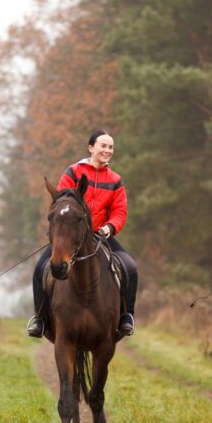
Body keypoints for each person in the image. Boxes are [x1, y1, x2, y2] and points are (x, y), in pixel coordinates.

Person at [27, 130, 139, 338]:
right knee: (40, 269)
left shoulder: (115, 180)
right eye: (103, 146)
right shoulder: (73, 172)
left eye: (110, 147)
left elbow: (120, 211)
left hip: (101, 235)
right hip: (71, 235)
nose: (107, 150)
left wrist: (110, 227)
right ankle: (40, 319)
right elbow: (61, 202)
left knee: (130, 267)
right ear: (91, 148)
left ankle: (126, 317)